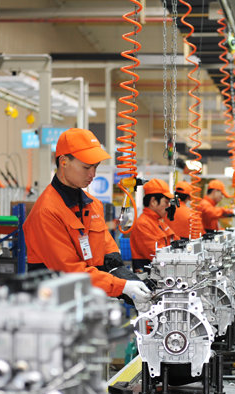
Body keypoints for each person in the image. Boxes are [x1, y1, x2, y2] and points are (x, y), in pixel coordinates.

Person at [23, 128, 151, 311]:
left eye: (95, 167)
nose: (93, 174)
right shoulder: (46, 212)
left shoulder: (93, 205)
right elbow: (69, 271)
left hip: (87, 301)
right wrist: (121, 287)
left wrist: (128, 281)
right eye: (86, 167)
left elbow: (108, 253)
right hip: (53, 309)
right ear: (64, 161)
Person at [130, 178, 176, 272]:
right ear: (153, 201)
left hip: (162, 272)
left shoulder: (159, 222)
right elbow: (157, 255)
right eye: (166, 202)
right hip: (150, 276)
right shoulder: (143, 224)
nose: (168, 206)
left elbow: (175, 240)